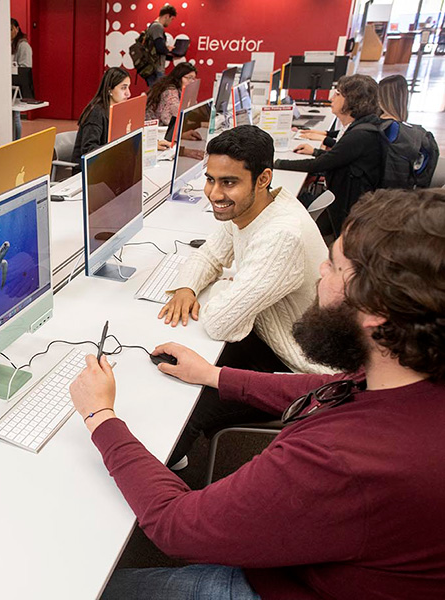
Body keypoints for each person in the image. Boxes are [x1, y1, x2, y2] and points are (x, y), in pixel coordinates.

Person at [69, 187, 445, 599]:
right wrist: (213, 375)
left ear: (377, 312)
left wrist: (100, 416)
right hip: (322, 557)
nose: (320, 270)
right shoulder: (412, 374)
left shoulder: (346, 457)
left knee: (74, 587)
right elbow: (329, 389)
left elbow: (176, 527)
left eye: (335, 267)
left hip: (283, 586)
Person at [158, 126, 330, 469]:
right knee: (168, 360)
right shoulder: (252, 206)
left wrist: (231, 282)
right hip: (267, 337)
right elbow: (209, 255)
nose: (214, 193)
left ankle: (161, 474)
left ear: (263, 178)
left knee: (182, 407)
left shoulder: (281, 235)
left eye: (228, 182)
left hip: (296, 366)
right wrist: (187, 288)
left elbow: (222, 323)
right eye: (211, 179)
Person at [276, 74, 384, 234]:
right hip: (345, 201)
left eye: (338, 94)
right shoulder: (360, 126)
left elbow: (319, 164)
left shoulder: (360, 135)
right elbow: (339, 156)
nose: (331, 98)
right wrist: (315, 151)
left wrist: (276, 162)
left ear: (353, 100)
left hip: (347, 211)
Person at [70, 67, 130, 170]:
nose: (128, 93)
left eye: (128, 87)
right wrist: (116, 152)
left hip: (107, 166)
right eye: (123, 88)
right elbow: (89, 149)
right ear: (109, 90)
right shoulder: (96, 113)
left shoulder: (117, 110)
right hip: (89, 171)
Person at [11, 17, 33, 140]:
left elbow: (26, 68)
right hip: (8, 85)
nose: (8, 33)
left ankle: (16, 141)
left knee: (15, 116)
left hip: (17, 86)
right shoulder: (7, 44)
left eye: (11, 29)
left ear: (17, 29)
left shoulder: (23, 46)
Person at [144, 4, 177, 87]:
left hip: (152, 67)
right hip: (156, 68)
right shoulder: (158, 27)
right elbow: (160, 48)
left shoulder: (152, 26)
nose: (171, 22)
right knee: (157, 94)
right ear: (166, 16)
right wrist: (167, 50)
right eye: (171, 19)